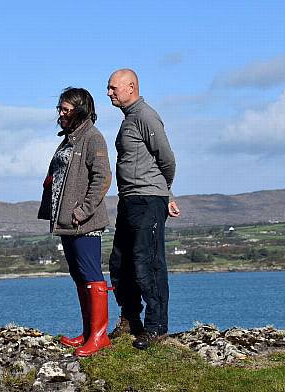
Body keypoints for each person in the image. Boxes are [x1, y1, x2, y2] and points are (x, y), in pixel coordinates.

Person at [106, 69, 181, 350]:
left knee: (147, 263)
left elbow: (167, 160)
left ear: (131, 87)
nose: (109, 93)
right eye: (109, 88)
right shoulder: (130, 119)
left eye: (113, 88)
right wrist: (168, 193)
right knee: (120, 263)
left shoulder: (146, 116)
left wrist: (163, 193)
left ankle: (156, 327)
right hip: (129, 200)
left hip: (147, 200)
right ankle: (130, 320)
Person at [37, 87, 112, 357]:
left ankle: (100, 336)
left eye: (66, 110)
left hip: (84, 223)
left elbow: (102, 179)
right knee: (79, 277)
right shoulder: (69, 138)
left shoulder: (93, 138)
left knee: (92, 276)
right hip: (67, 223)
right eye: (60, 108)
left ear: (79, 111)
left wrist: (82, 211)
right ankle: (88, 332)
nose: (60, 114)